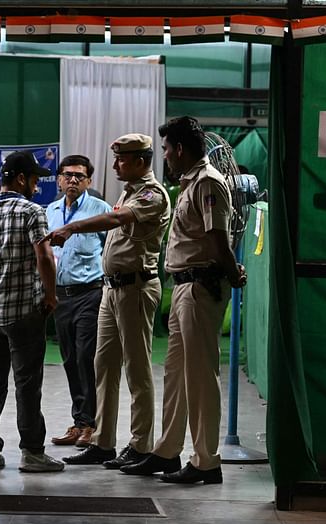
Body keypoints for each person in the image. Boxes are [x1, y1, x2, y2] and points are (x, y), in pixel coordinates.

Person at [122, 116, 247, 484]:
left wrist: (232, 273)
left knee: (201, 377)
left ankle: (207, 461)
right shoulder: (191, 182)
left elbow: (217, 238)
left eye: (165, 149)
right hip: (183, 286)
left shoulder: (207, 182)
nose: (164, 157)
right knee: (176, 374)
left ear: (179, 149)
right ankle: (167, 451)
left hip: (200, 286)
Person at [41, 134, 171, 470]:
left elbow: (115, 221)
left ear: (141, 161)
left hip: (135, 288)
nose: (115, 166)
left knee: (137, 370)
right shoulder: (128, 191)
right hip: (111, 290)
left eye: (121, 160)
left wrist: (72, 228)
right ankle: (103, 442)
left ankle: (141, 445)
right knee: (103, 367)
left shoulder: (151, 194)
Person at [0, 151, 64, 473]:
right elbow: (44, 257)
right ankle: (32, 453)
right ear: (21, 179)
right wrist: (50, 295)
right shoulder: (31, 211)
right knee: (27, 382)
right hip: (24, 310)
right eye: (35, 180)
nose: (37, 187)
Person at [46, 155, 111, 448]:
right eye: (67, 175)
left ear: (88, 181)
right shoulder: (50, 211)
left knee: (87, 357)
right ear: (59, 179)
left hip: (90, 294)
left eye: (79, 176)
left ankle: (91, 425)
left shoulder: (101, 210)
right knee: (70, 359)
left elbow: (112, 249)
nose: (72, 180)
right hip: (61, 295)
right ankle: (79, 422)